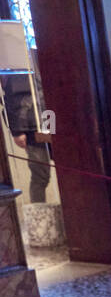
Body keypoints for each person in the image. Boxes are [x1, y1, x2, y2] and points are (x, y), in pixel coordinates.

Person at [2, 69, 49, 203]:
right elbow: (12, 98)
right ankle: (38, 218)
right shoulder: (16, 60)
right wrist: (17, 131)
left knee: (66, 171)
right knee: (41, 175)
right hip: (32, 126)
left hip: (50, 119)